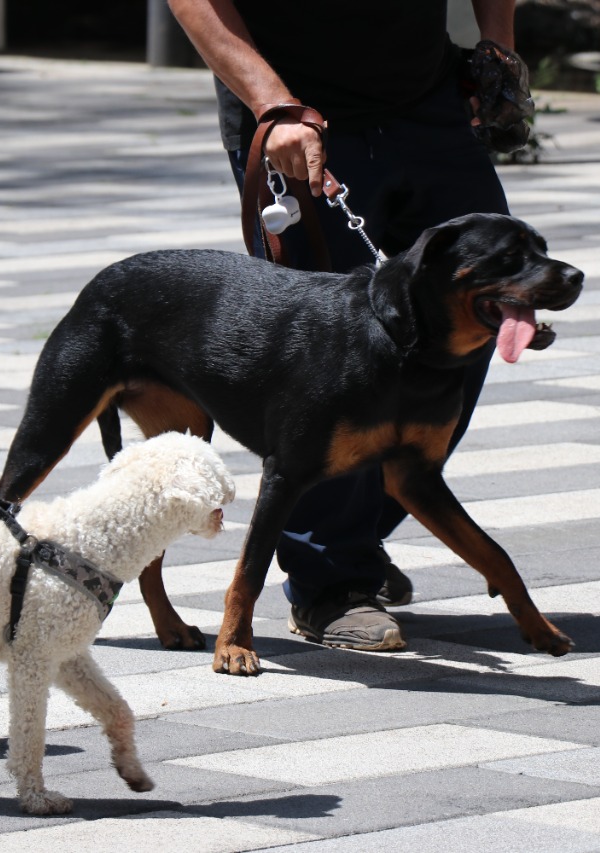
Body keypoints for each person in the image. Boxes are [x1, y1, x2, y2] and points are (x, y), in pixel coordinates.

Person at [168, 0, 529, 651]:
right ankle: (328, 580)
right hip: (294, 113)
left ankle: (355, 531)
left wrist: (496, 46)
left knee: (471, 316)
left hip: (428, 101)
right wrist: (270, 104)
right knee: (330, 358)